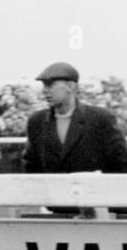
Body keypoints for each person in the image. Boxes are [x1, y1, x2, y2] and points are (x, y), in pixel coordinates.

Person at [23, 63, 127, 213]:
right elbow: (31, 165)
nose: (45, 91)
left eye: (50, 85)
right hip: (57, 209)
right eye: (44, 86)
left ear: (71, 86)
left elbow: (120, 163)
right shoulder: (36, 122)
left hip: (98, 210)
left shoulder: (100, 119)